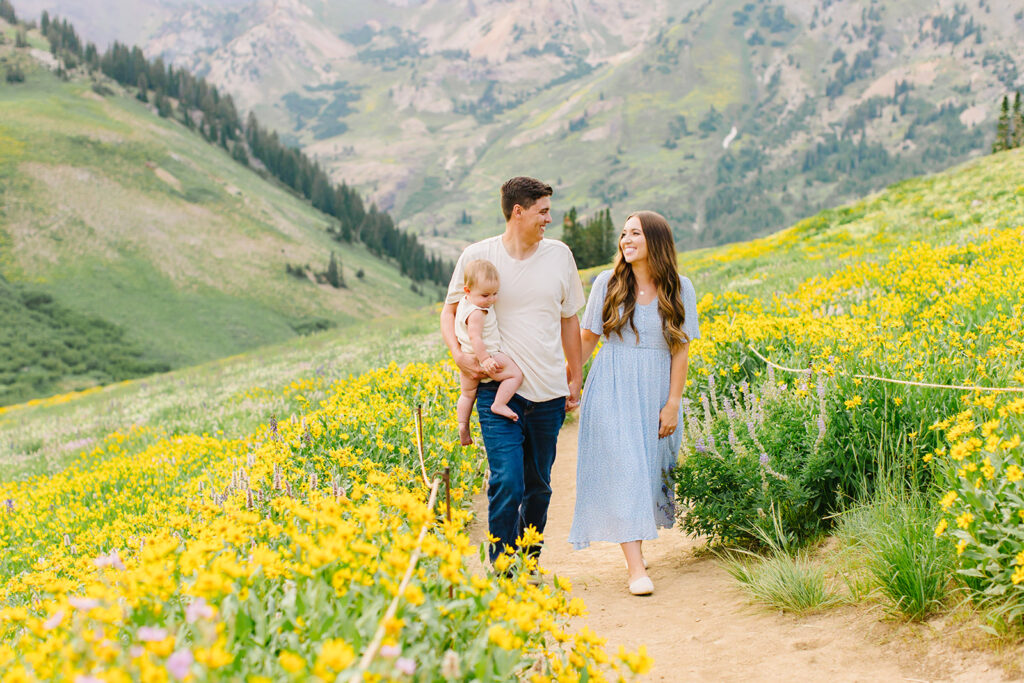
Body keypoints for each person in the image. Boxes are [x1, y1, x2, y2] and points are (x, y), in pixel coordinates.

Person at [441, 176, 585, 565]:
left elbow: (570, 320)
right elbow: (450, 309)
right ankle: (501, 567)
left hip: (549, 391)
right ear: (517, 212)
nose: (549, 219)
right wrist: (458, 354)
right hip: (496, 389)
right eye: (543, 211)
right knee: (507, 480)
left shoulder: (560, 256)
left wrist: (576, 376)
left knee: (538, 487)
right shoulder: (478, 256)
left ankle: (528, 559)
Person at [567, 210, 700, 596]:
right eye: (623, 234)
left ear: (655, 241)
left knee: (644, 472)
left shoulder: (680, 288)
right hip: (610, 385)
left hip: (655, 388)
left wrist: (673, 402)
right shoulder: (606, 283)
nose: (626, 241)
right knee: (625, 467)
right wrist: (571, 381)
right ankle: (636, 568)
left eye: (635, 234)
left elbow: (680, 351)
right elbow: (589, 338)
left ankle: (637, 551)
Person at [454, 258, 524, 446]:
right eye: (486, 295)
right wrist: (485, 359)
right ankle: (499, 403)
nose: (491, 300)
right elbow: (476, 337)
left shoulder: (464, 303)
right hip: (487, 354)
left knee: (467, 394)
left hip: (467, 359)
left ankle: (463, 425)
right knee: (515, 375)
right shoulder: (478, 312)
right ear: (467, 290)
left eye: (495, 294)